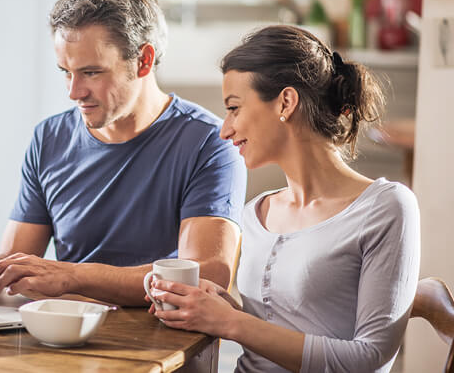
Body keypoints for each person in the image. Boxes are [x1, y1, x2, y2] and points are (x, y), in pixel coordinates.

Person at [0, 0, 247, 306]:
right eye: (66, 71)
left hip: (162, 345)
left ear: (143, 60)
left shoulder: (209, 143)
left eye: (91, 72)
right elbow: (18, 259)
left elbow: (204, 279)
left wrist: (71, 276)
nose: (74, 92)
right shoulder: (50, 138)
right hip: (64, 337)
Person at [148, 25, 420, 372]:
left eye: (234, 108)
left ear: (285, 102)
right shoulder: (258, 212)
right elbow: (275, 325)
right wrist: (211, 305)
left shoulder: (385, 207)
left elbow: (368, 360)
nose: (224, 129)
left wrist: (231, 323)